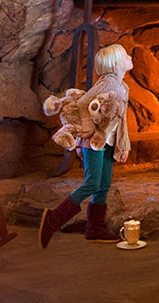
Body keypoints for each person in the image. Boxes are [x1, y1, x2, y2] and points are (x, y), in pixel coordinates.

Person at [39, 44, 132, 247]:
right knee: (92, 183)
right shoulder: (107, 83)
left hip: (106, 143)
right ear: (116, 64)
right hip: (93, 142)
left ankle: (94, 229)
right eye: (126, 55)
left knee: (103, 185)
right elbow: (82, 104)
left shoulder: (122, 86)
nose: (130, 57)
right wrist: (87, 132)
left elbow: (121, 121)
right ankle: (53, 219)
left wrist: (123, 145)